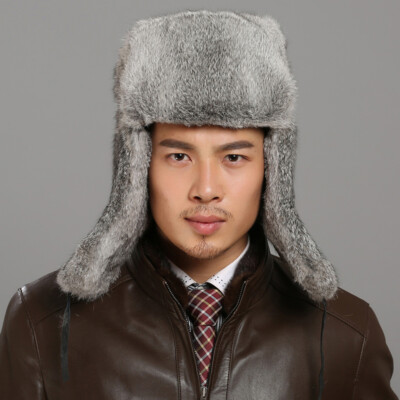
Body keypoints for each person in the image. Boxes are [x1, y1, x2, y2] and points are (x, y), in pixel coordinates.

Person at [0, 9, 397, 400]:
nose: (206, 189)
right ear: (138, 166)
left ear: (271, 168)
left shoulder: (346, 335)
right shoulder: (42, 324)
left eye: (234, 157)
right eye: (179, 157)